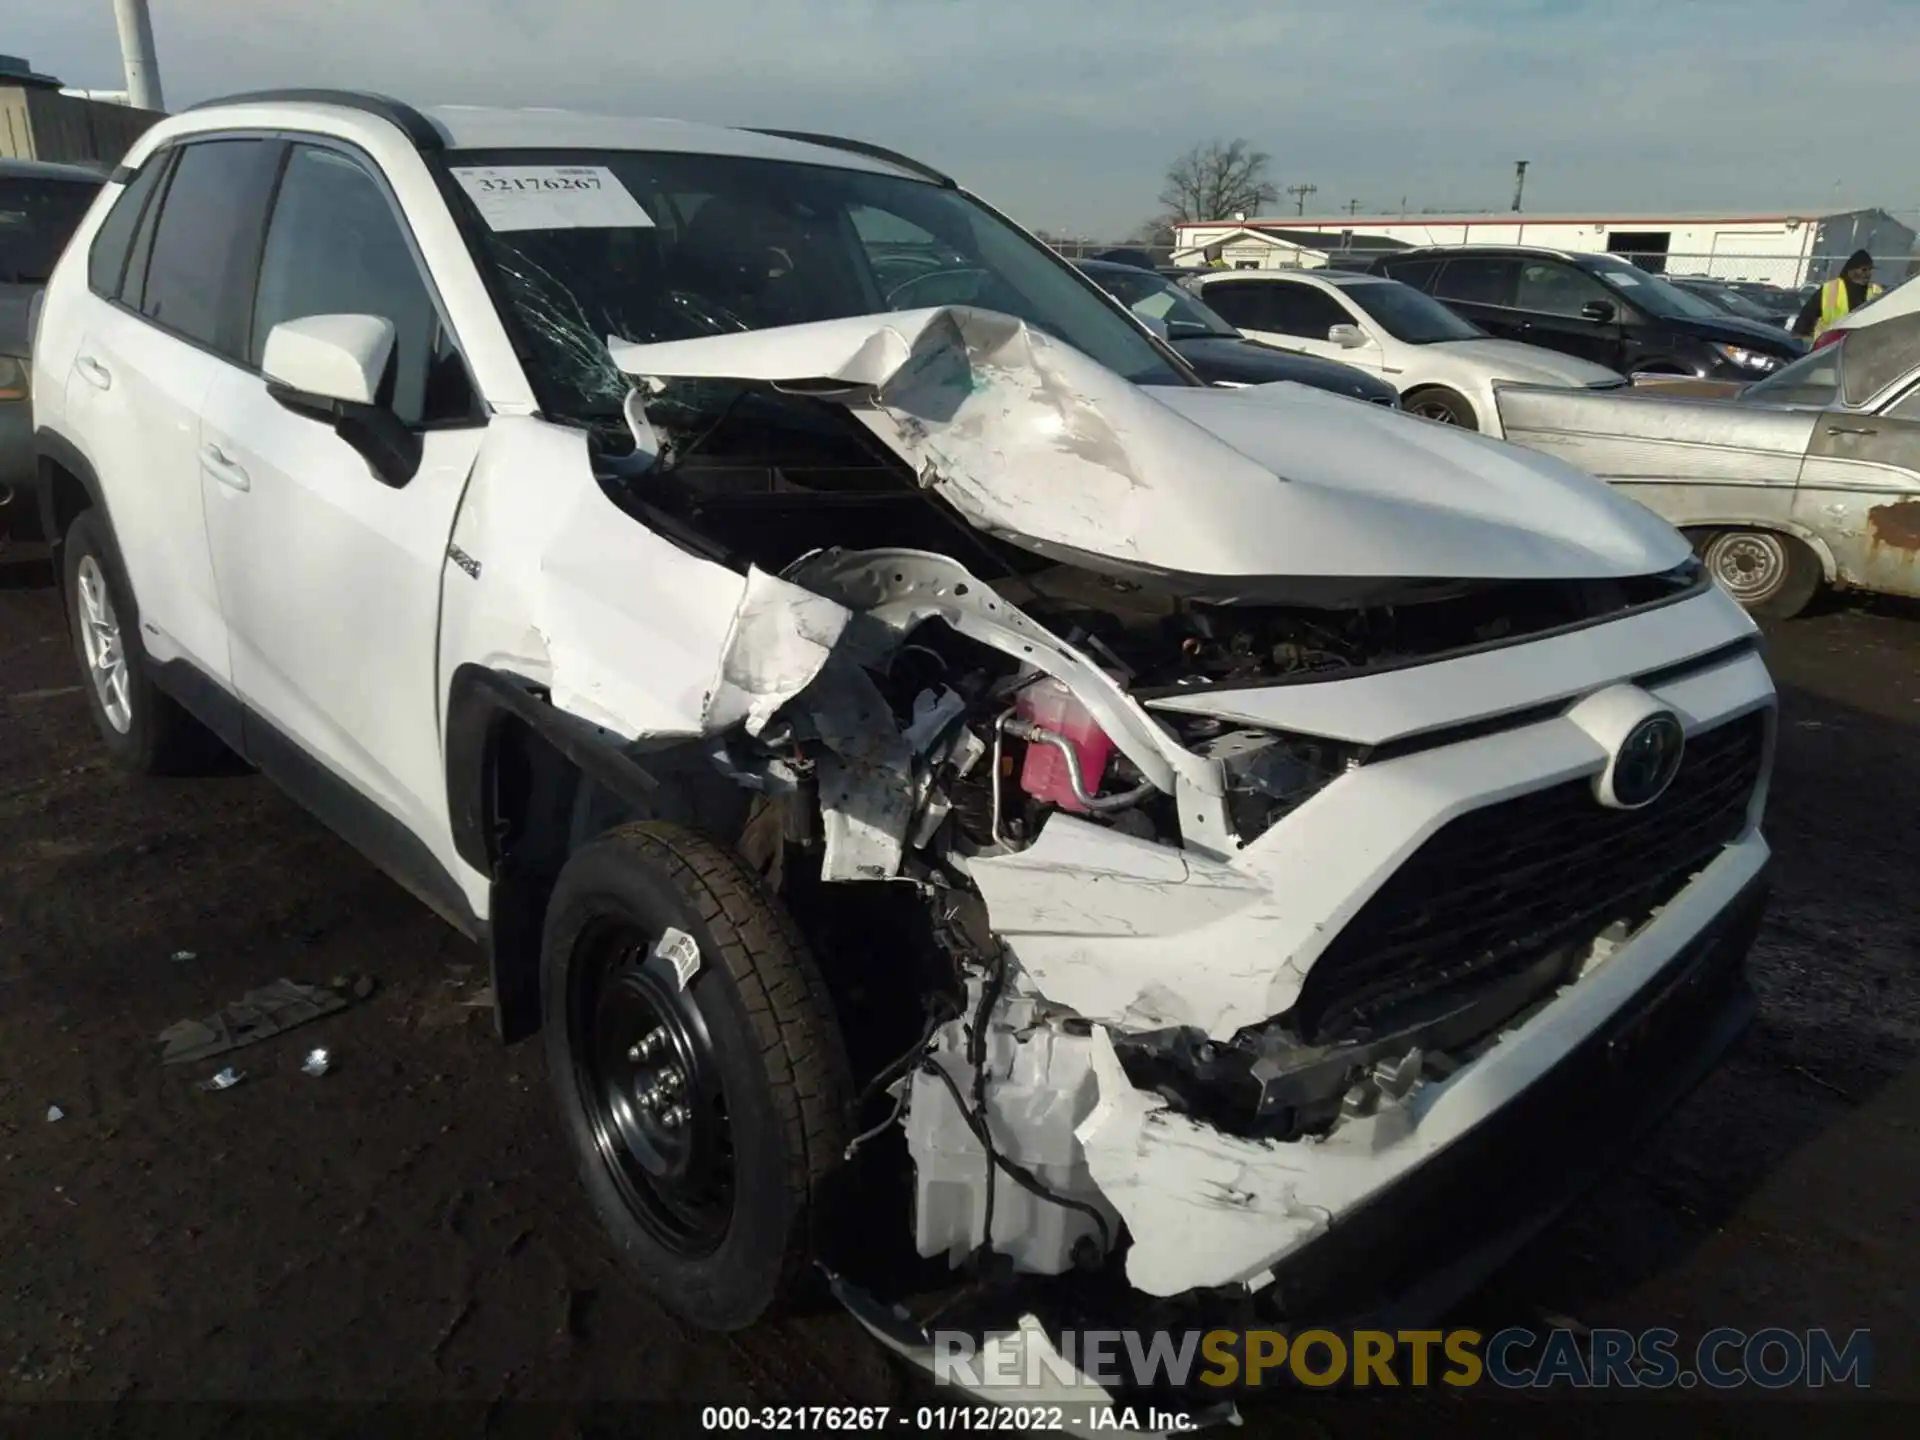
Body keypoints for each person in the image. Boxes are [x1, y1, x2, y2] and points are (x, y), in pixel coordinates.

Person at [1793, 250, 1883, 338]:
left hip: (1865, 345)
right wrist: (1801, 338)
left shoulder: (1876, 291)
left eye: (1870, 270)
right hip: (1829, 345)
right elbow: (1807, 316)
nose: (1868, 274)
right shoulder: (1832, 289)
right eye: (1864, 270)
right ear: (1850, 270)